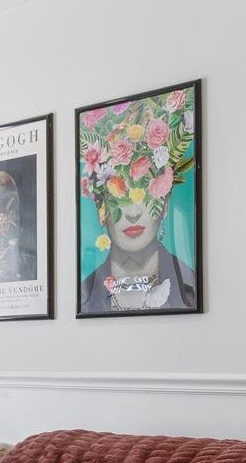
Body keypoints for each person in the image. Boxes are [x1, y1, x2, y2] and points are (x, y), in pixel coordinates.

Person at [78, 103, 198, 314]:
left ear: (165, 204)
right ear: (101, 208)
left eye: (145, 192)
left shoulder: (190, 289)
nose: (133, 214)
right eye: (119, 195)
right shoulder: (84, 296)